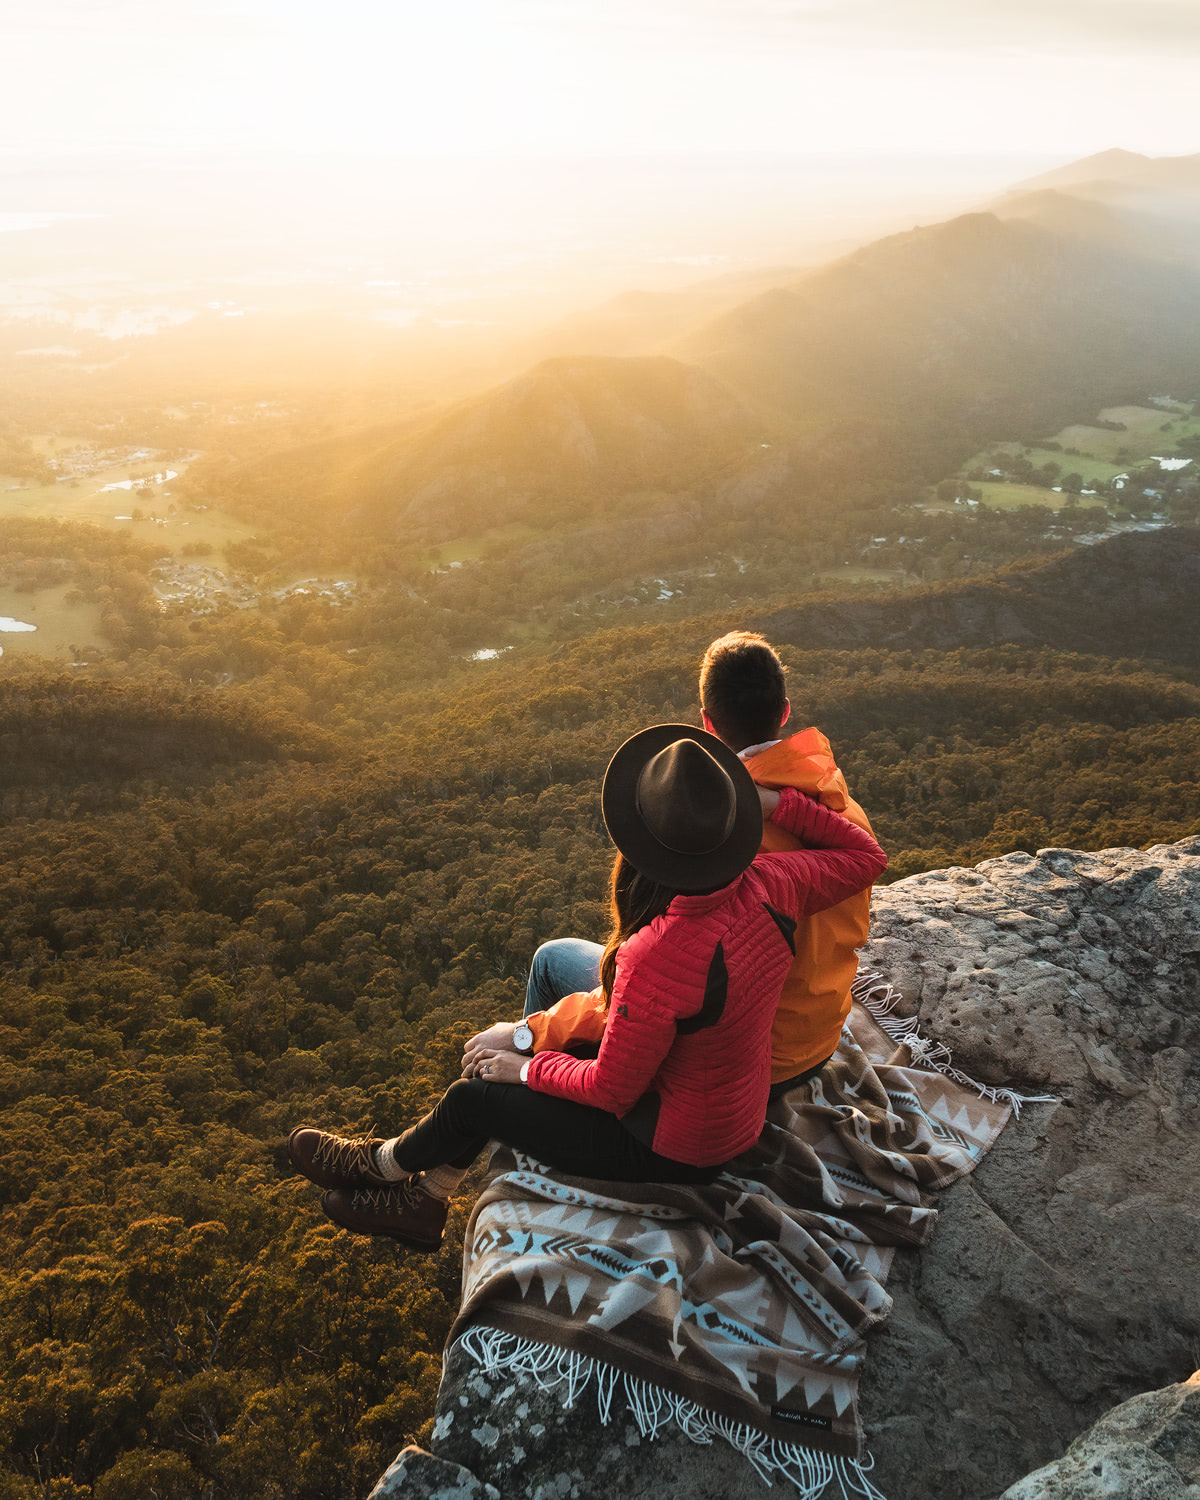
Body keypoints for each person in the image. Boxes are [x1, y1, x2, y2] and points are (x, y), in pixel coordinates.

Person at [287, 723, 886, 1251]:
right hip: (730, 1109)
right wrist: (776, 803)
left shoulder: (658, 952)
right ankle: (426, 1201)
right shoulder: (771, 881)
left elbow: (610, 1092)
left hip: (671, 1146)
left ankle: (383, 1166)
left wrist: (519, 1068)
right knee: (529, 1049)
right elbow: (865, 856)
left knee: (478, 1094)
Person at [465, 631, 877, 1100]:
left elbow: (653, 985)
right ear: (784, 711)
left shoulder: (708, 845)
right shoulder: (842, 812)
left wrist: (529, 1034)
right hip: (816, 1042)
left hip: (745, 1063)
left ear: (706, 721)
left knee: (550, 960)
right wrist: (776, 802)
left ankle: (521, 1102)